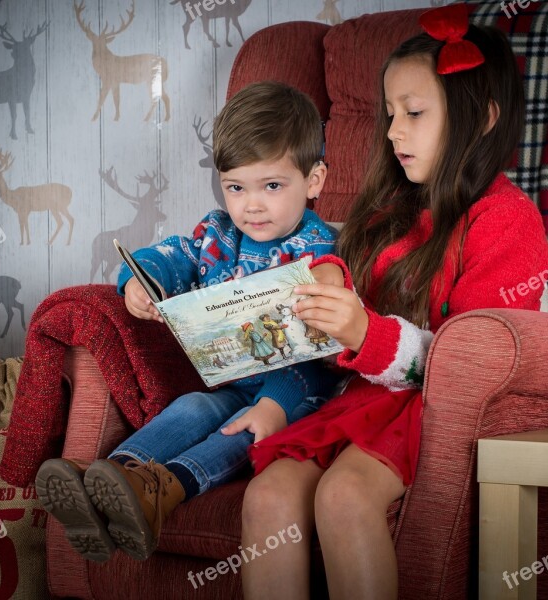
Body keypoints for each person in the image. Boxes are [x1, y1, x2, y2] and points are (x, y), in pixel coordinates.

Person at [240, 5, 548, 599]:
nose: (391, 132)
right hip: (364, 399)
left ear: (480, 119)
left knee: (345, 495)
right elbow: (344, 258)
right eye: (388, 114)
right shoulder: (390, 211)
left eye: (413, 113)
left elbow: (471, 360)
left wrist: (365, 332)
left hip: (437, 410)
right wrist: (330, 280)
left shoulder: (506, 219)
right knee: (269, 495)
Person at [35, 81, 339, 563]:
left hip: (297, 391)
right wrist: (143, 281)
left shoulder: (315, 250)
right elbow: (172, 254)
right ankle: (109, 480)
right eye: (236, 187)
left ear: (314, 180)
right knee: (195, 406)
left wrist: (278, 405)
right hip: (227, 379)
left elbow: (321, 349)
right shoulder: (219, 230)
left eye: (273, 186)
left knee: (244, 428)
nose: (252, 205)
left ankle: (164, 491)